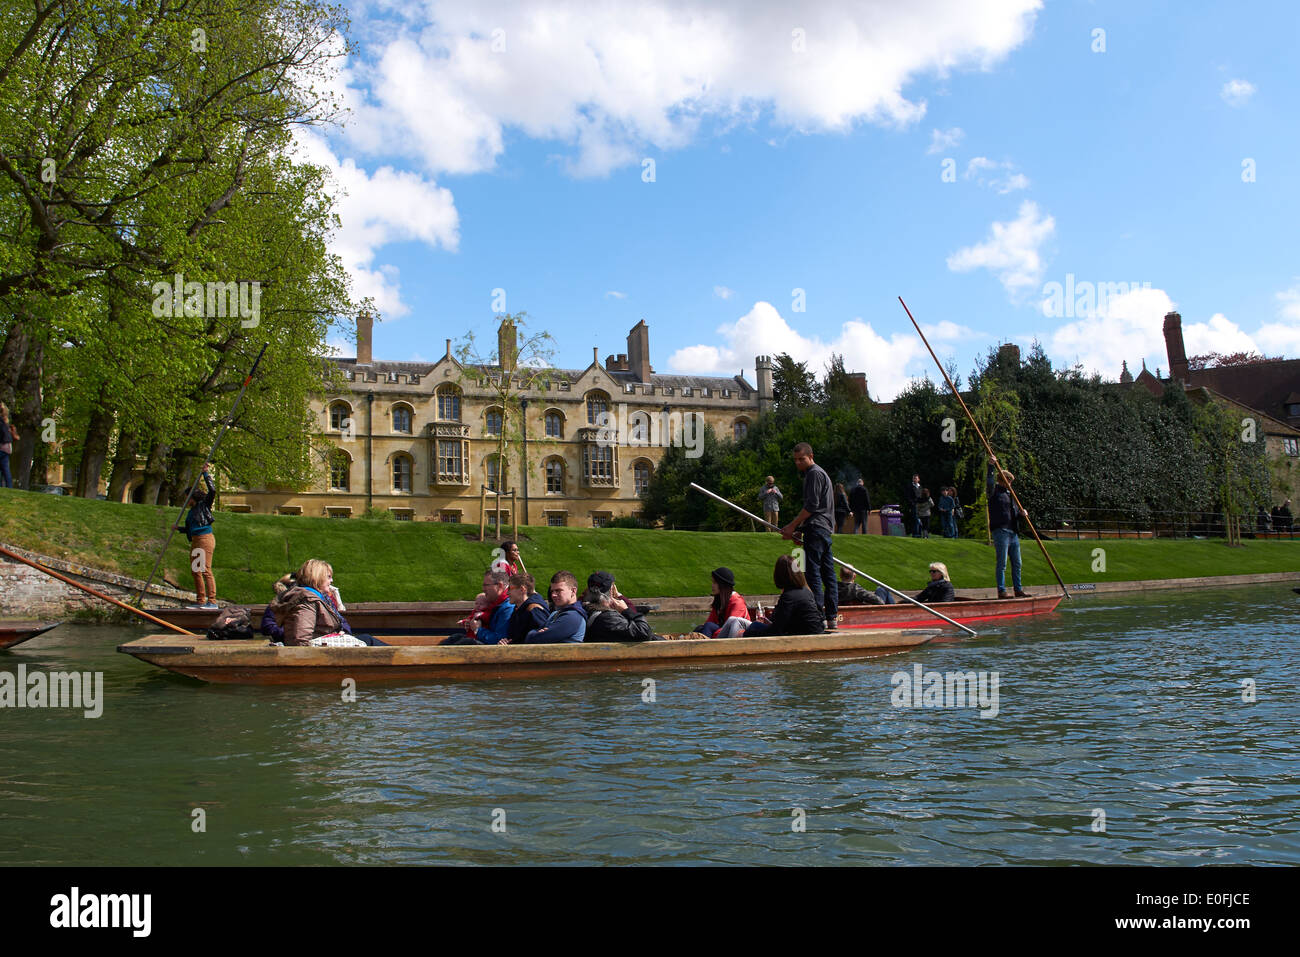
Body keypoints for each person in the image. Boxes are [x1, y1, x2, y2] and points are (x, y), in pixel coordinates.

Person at [781, 442, 838, 631]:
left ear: (811, 456)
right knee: (828, 574)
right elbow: (818, 507)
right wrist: (801, 530)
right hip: (824, 529)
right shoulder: (821, 474)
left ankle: (818, 618)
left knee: (813, 573)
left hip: (817, 528)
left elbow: (812, 506)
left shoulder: (813, 474)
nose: (798, 463)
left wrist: (792, 526)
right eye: (796, 460)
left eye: (801, 459)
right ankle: (832, 618)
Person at [270, 559, 387, 646]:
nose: (332, 580)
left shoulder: (315, 598)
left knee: (366, 639)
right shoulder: (307, 601)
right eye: (329, 577)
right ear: (317, 578)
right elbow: (300, 640)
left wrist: (339, 633)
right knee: (369, 641)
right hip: (320, 654)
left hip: (325, 646)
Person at [742, 554, 825, 637]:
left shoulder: (789, 597)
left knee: (753, 627)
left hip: (801, 638)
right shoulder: (807, 592)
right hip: (814, 634)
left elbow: (776, 631)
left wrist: (745, 634)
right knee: (756, 626)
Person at [174, 463, 218, 609]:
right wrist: (179, 529)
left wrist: (206, 474)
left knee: (205, 569)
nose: (186, 501)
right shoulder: (191, 512)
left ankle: (212, 601)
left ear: (193, 497)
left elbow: (212, 490)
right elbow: (190, 529)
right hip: (195, 540)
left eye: (188, 498)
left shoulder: (203, 505)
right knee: (195, 570)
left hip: (205, 539)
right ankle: (200, 601)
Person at [989, 456, 1028, 599]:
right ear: (1003, 480)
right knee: (1002, 563)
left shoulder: (1010, 495)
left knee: (1017, 563)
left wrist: (1022, 513)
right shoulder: (994, 492)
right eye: (1009, 481)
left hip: (1013, 532)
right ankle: (1002, 590)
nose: (1011, 484)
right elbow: (989, 482)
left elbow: (1014, 512)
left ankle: (1018, 589)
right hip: (1001, 531)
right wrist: (991, 467)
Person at [525, 571, 588, 643]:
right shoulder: (555, 613)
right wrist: (536, 633)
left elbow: (534, 639)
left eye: (558, 591)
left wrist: (534, 634)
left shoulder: (573, 617)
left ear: (573, 591)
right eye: (552, 591)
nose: (553, 595)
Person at [581, 584, 659, 642]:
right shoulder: (608, 618)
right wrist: (626, 610)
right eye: (612, 594)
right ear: (605, 599)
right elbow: (644, 632)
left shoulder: (592, 612)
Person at [694, 567, 750, 638]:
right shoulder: (719, 601)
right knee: (700, 628)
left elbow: (731, 628)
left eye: (715, 583)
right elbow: (709, 621)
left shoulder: (737, 603)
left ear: (723, 585)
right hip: (721, 633)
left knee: (709, 626)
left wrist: (711, 635)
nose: (712, 585)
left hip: (736, 638)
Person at [463, 569, 514, 644]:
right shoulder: (496, 603)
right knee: (456, 638)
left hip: (494, 651)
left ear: (499, 586)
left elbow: (499, 640)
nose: (483, 589)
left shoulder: (507, 608)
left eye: (486, 585)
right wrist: (470, 623)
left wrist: (478, 629)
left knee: (465, 642)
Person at [503, 573, 550, 645]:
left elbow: (543, 640)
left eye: (509, 588)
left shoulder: (534, 610)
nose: (507, 593)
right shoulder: (518, 609)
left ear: (522, 589)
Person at [0, 400, 17, 488]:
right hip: (7, 447)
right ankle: (9, 486)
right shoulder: (6, 421)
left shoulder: (1, 421)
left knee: (4, 469)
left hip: (2, 446)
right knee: (5, 469)